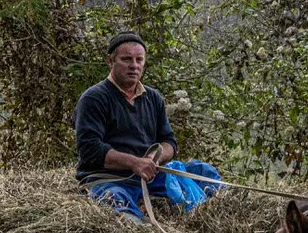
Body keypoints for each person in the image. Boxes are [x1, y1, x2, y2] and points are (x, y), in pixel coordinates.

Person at [74, 31, 221, 218]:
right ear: (110, 61)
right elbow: (90, 150)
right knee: (121, 212)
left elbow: (169, 141)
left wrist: (155, 159)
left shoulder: (153, 97)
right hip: (110, 179)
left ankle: (209, 217)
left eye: (139, 60)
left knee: (203, 172)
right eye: (127, 59)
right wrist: (135, 163)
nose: (134, 66)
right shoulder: (94, 98)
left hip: (152, 177)